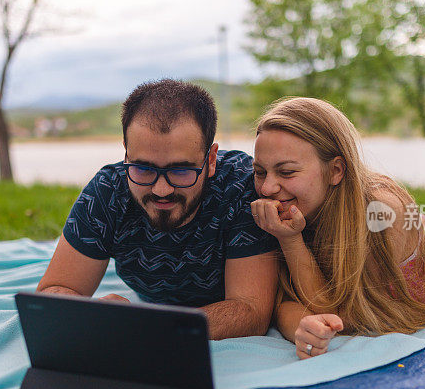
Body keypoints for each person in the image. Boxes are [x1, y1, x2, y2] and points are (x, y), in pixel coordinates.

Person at [249, 97, 425, 358]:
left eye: (286, 172)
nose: (267, 187)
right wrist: (302, 324)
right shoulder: (285, 208)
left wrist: (291, 241)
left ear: (336, 170)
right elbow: (285, 301)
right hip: (415, 232)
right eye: (259, 172)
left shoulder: (383, 211)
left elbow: (339, 312)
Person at [37, 79, 279, 340]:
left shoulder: (242, 190)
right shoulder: (107, 191)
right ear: (126, 154)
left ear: (210, 160)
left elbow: (251, 312)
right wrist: (92, 313)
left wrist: (148, 328)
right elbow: (53, 292)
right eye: (143, 168)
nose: (161, 190)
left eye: (181, 170)